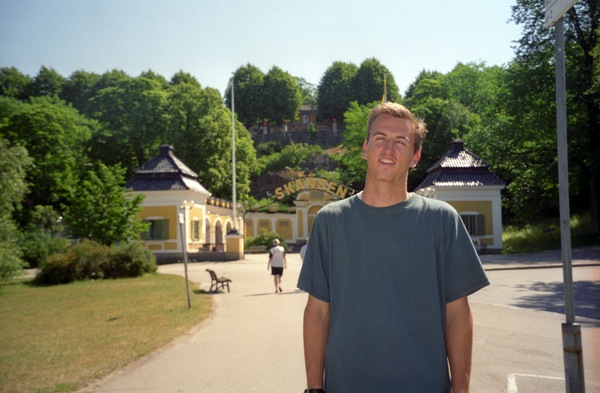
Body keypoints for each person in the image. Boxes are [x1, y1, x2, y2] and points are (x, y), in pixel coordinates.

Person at [297, 102, 489, 393]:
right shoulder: (330, 221)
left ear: (415, 156)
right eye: (380, 139)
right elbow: (317, 313)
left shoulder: (441, 220)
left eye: (401, 142)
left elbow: (457, 315)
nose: (388, 150)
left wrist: (461, 390)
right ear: (365, 148)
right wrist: (314, 388)